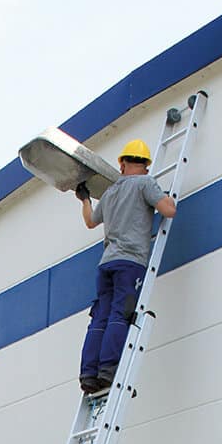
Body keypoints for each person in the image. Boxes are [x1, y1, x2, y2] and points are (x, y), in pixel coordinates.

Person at [75, 139, 176, 393]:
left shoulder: (109, 193)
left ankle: (89, 373)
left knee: (101, 316)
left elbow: (90, 222)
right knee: (121, 314)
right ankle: (108, 369)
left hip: (106, 264)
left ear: (122, 164)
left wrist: (85, 199)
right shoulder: (145, 183)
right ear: (145, 165)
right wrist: (165, 198)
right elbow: (168, 210)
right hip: (130, 262)